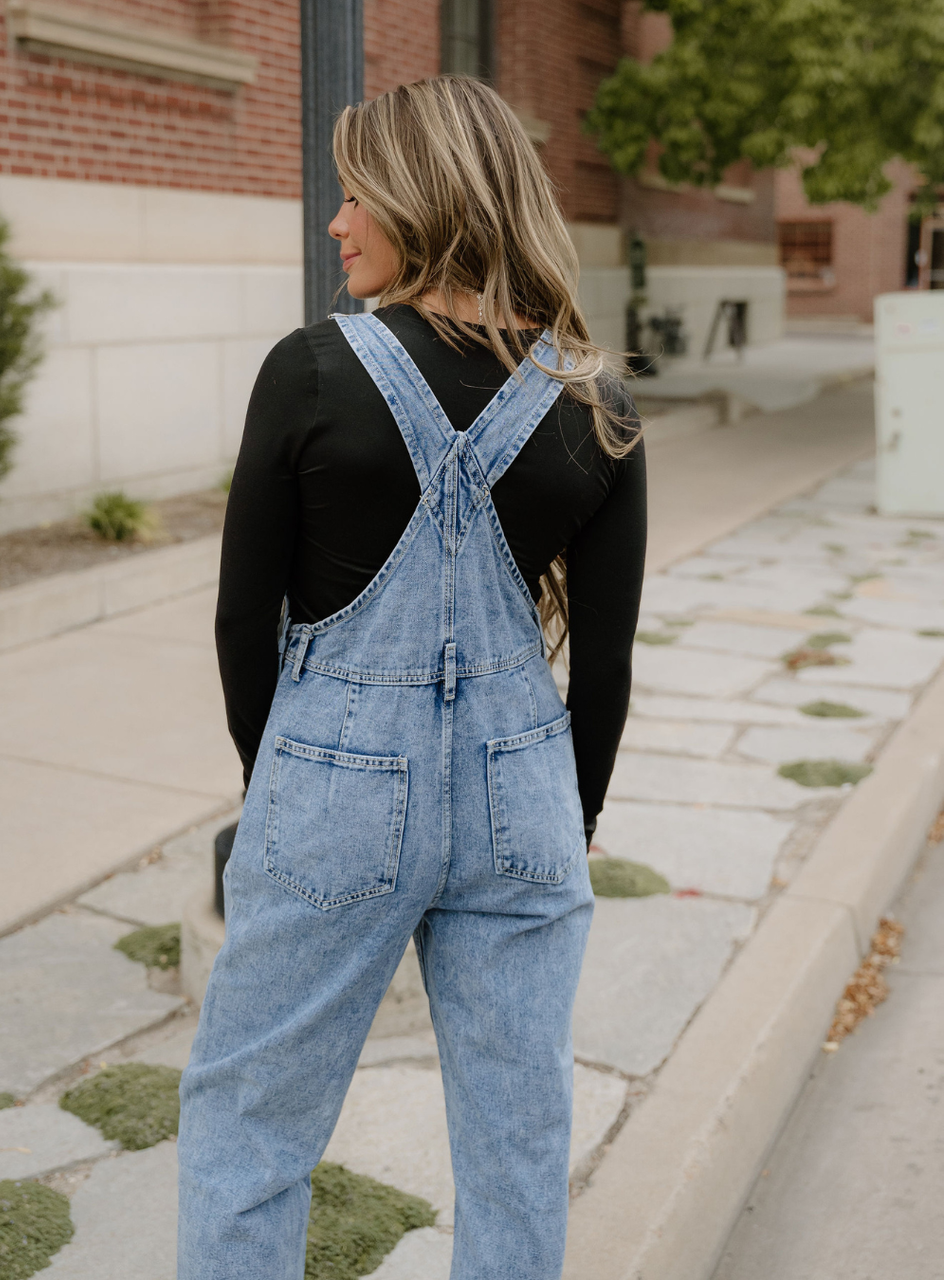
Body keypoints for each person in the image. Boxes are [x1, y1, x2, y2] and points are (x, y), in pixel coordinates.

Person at [177, 74, 647, 1280]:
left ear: (423, 196)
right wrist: (570, 818)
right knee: (516, 1144)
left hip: (331, 792)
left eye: (355, 195)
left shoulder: (309, 370)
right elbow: (603, 666)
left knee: (250, 1130)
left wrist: (284, 786)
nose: (335, 222)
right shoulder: (594, 399)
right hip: (523, 801)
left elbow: (242, 620)